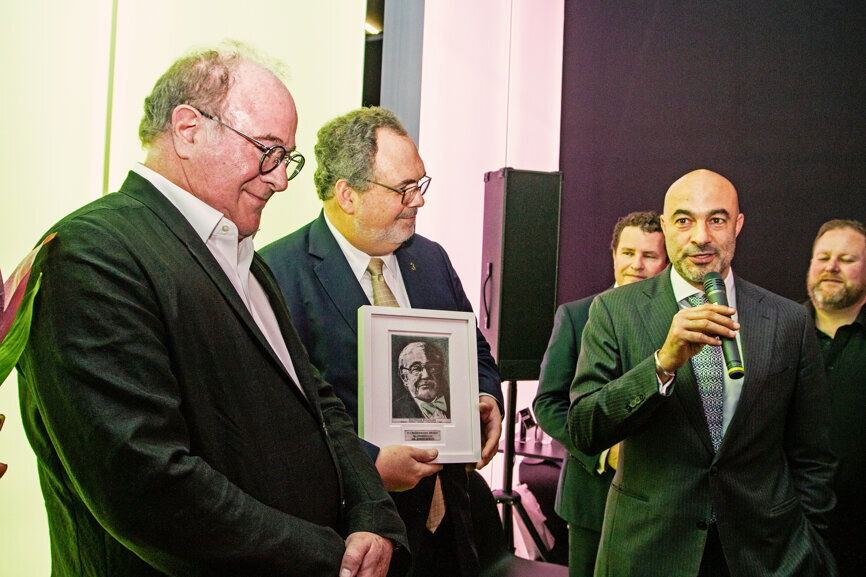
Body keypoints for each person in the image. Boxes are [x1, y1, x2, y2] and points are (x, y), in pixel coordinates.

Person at [17, 44, 407, 577]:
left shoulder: (239, 253)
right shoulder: (92, 253)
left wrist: (373, 516)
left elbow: (316, 404)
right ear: (188, 128)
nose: (281, 179)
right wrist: (327, 557)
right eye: (267, 150)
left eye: (285, 157)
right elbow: (148, 485)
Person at [260, 106, 505, 577]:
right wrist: (370, 465)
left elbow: (474, 351)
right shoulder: (278, 275)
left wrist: (485, 395)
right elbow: (281, 422)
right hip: (356, 538)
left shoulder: (431, 260)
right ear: (347, 194)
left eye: (421, 184)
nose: (419, 201)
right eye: (403, 190)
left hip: (448, 532)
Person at [568, 169, 836, 576]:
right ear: (664, 227)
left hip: (764, 555)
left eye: (716, 219)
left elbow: (812, 454)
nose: (700, 236)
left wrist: (809, 542)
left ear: (737, 225)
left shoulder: (788, 320)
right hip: (649, 552)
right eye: (683, 220)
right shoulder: (616, 310)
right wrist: (661, 364)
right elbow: (585, 428)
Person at [533, 211, 667, 576]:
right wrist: (603, 452)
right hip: (592, 497)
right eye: (627, 253)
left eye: (649, 256)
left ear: (666, 261)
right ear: (613, 255)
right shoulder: (575, 316)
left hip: (662, 504)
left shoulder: (679, 324)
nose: (636, 265)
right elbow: (547, 403)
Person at [806, 218, 866, 575]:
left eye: (847, 260)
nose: (831, 267)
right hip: (784, 539)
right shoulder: (775, 335)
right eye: (823, 257)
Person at [395, 341, 451, 422]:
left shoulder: (455, 403)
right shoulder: (395, 410)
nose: (426, 375)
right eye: (416, 368)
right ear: (404, 377)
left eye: (433, 368)